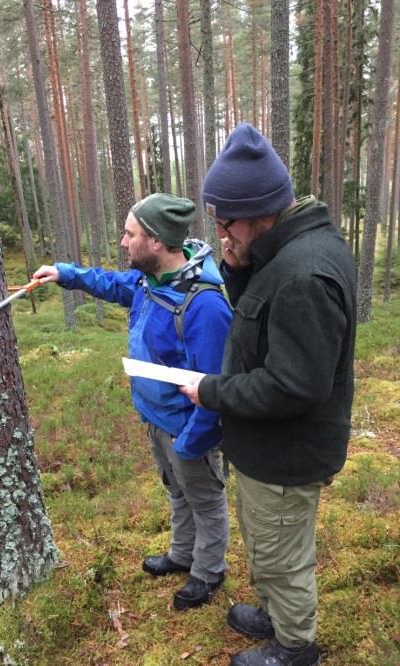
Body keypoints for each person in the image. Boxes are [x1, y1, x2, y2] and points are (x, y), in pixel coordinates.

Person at [180, 125, 356, 666]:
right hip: (267, 447)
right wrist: (236, 271)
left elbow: (295, 385)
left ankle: (295, 646)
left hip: (288, 451)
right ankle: (277, 613)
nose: (219, 231)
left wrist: (212, 392)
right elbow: (263, 325)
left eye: (224, 221)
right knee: (266, 543)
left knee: (282, 556)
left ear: (260, 213)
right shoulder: (282, 255)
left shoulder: (304, 273)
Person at [33, 193, 232, 611]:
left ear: (157, 241)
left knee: (205, 500)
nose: (123, 242)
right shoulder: (149, 280)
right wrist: (64, 273)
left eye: (130, 234)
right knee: (176, 491)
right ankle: (182, 554)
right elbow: (110, 283)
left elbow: (216, 388)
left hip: (187, 428)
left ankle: (208, 571)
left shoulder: (205, 306)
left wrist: (192, 442)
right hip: (156, 419)